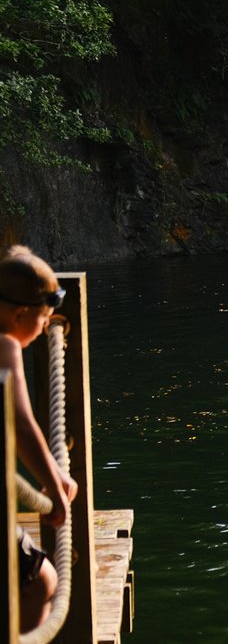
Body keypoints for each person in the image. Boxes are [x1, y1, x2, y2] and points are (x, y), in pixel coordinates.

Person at [0, 245, 78, 631]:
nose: (47, 327)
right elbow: (23, 424)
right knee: (42, 581)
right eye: (44, 318)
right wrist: (54, 488)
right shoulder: (5, 345)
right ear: (18, 314)